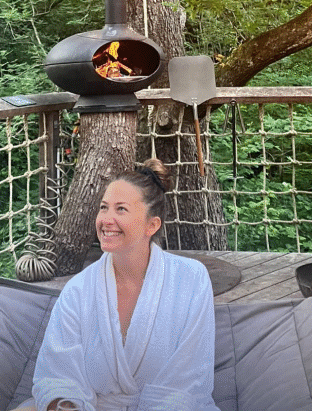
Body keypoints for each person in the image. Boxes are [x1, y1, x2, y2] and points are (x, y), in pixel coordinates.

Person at [16, 159, 217, 411]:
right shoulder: (79, 290)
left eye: (120, 209)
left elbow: (187, 383)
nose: (106, 220)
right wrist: (64, 405)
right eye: (103, 207)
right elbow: (59, 376)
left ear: (151, 225)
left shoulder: (191, 280)